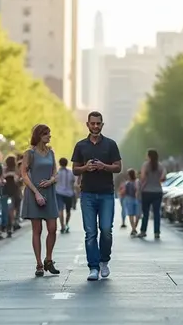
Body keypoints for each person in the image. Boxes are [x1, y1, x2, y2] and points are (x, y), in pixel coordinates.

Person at [71, 111, 122, 281]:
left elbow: (118, 167)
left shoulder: (111, 144)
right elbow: (75, 169)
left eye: (98, 123)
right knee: (90, 232)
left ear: (102, 124)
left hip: (107, 193)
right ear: (87, 124)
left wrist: (103, 166)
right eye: (92, 123)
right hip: (88, 194)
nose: (95, 126)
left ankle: (104, 262)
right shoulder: (80, 146)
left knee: (106, 230)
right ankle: (93, 267)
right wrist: (86, 168)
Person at [20, 124, 60, 277]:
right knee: (37, 230)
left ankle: (48, 260)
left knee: (52, 228)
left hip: (49, 193)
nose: (49, 136)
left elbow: (55, 173)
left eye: (49, 134)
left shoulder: (51, 152)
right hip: (33, 193)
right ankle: (39, 264)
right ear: (39, 135)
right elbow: (24, 175)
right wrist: (36, 193)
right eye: (46, 134)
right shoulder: (29, 153)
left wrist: (51, 181)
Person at [138, 149, 166, 239]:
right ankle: (156, 232)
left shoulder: (145, 165)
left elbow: (142, 178)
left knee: (145, 213)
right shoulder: (161, 166)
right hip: (157, 191)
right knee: (156, 213)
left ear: (149, 156)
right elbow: (163, 178)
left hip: (146, 191)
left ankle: (143, 231)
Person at [2, 155, 22, 237]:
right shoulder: (16, 170)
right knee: (15, 208)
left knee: (9, 210)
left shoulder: (4, 170)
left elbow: (2, 179)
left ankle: (9, 226)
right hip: (15, 191)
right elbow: (19, 180)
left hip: (6, 191)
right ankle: (14, 223)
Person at [55, 157, 76, 234]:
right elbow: (73, 182)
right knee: (68, 210)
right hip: (69, 193)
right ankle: (66, 224)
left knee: (60, 209)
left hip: (59, 192)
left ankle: (62, 226)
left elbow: (54, 181)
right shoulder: (70, 172)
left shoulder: (57, 173)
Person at [122, 169, 141, 236]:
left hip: (137, 199)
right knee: (131, 214)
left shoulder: (137, 181)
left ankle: (134, 228)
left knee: (137, 215)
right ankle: (133, 228)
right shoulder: (127, 183)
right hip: (129, 198)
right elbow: (124, 192)